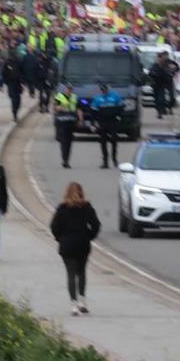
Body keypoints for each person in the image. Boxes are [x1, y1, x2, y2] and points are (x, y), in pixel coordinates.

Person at [50, 181, 101, 316]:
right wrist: (90, 236)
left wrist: (59, 238)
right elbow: (96, 224)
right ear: (81, 192)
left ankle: (73, 304)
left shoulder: (62, 208)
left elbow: (54, 226)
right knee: (82, 272)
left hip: (67, 244)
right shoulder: (87, 207)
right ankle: (82, 301)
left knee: (71, 274)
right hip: (82, 243)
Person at [92, 82, 123, 168]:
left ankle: (114, 159)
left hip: (113, 121)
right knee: (103, 142)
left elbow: (121, 107)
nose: (104, 91)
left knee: (114, 140)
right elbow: (94, 111)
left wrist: (118, 116)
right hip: (102, 122)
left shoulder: (115, 96)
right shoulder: (97, 98)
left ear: (107, 89)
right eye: (102, 90)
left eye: (105, 90)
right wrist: (94, 122)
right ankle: (105, 161)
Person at [53, 84, 81, 169]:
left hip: (71, 122)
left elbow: (79, 109)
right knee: (64, 142)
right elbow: (55, 107)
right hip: (62, 121)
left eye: (70, 89)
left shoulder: (75, 97)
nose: (69, 91)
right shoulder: (59, 96)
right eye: (68, 89)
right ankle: (64, 160)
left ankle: (67, 160)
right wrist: (61, 108)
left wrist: (80, 119)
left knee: (69, 142)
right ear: (65, 89)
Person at [1, 53, 23, 121]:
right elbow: (3, 73)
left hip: (18, 82)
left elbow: (22, 71)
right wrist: (6, 82)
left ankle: (15, 112)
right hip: (11, 83)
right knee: (14, 99)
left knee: (18, 99)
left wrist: (22, 81)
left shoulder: (19, 62)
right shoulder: (7, 63)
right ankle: (14, 114)